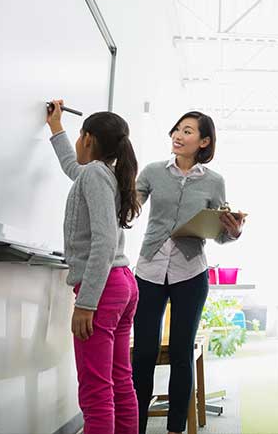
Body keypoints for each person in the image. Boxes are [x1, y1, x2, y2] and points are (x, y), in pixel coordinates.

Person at [131, 111, 245, 434]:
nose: (178, 136)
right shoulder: (153, 172)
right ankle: (135, 426)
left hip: (191, 273)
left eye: (188, 131)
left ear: (204, 141)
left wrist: (233, 231)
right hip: (150, 269)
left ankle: (175, 429)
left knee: (182, 352)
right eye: (177, 129)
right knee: (144, 352)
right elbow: (131, 207)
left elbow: (220, 231)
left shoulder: (214, 181)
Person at [47, 99, 141, 434]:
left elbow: (102, 242)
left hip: (103, 288)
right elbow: (73, 167)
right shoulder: (101, 174)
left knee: (96, 389)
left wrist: (86, 303)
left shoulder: (96, 176)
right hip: (121, 284)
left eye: (77, 137)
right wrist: (56, 128)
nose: (76, 144)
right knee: (118, 380)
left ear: (87, 139)